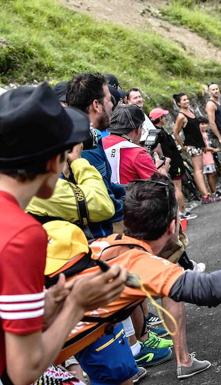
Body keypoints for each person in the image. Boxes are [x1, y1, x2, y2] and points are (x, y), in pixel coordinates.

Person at [51, 174, 221, 382]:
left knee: (121, 372)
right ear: (172, 227)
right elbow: (211, 289)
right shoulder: (139, 263)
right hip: (30, 356)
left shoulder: (111, 243)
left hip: (50, 337)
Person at [0, 83, 127, 385]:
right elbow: (24, 370)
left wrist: (41, 308)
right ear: (52, 161)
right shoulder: (22, 234)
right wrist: (77, 305)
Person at [66, 72, 125, 237]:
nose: (112, 106)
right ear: (96, 105)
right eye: (109, 100)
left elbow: (108, 185)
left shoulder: (91, 136)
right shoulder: (83, 144)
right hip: (103, 236)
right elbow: (104, 197)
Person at [102, 104, 170, 185]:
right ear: (137, 129)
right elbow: (159, 189)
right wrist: (162, 172)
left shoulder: (99, 143)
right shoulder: (138, 153)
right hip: (130, 196)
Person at [148, 107, 194, 218]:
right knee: (177, 187)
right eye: (163, 116)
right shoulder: (157, 132)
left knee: (175, 187)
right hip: (172, 163)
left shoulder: (156, 131)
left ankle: (181, 211)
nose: (166, 118)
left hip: (170, 162)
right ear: (159, 118)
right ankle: (182, 212)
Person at [172, 93, 213, 204]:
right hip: (192, 145)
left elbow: (197, 129)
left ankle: (207, 194)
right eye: (184, 100)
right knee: (198, 170)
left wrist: (203, 144)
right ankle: (205, 195)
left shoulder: (191, 111)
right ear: (179, 103)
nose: (186, 101)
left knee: (200, 170)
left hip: (198, 144)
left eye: (187, 99)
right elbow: (175, 133)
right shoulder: (181, 116)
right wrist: (183, 146)